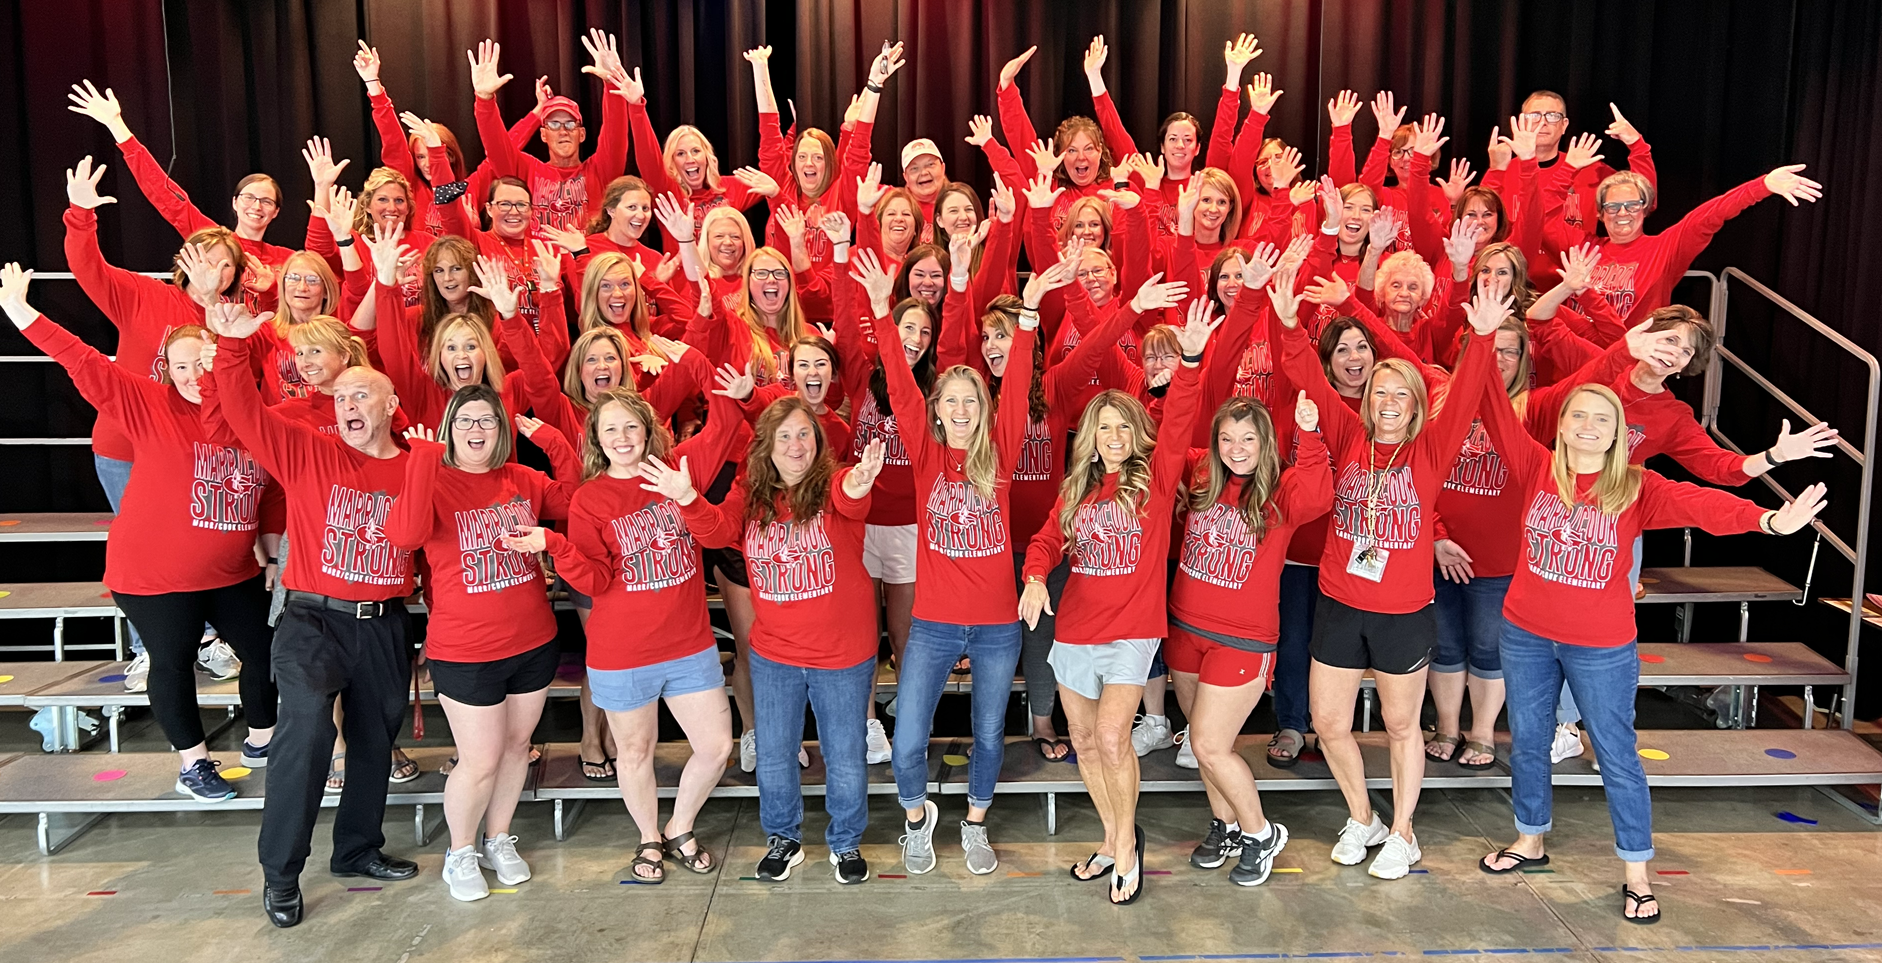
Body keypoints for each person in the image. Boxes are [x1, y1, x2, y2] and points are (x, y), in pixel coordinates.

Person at [1468, 338, 1829, 923]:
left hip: (1602, 646)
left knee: (1616, 752)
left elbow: (1703, 504)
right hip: (1525, 633)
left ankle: (1636, 870)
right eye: (1578, 415)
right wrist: (1484, 338)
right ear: (1561, 426)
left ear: (1617, 434)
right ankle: (1529, 839)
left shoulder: (1636, 486)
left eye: (1601, 418)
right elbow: (1484, 401)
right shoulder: (1535, 465)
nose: (1588, 425)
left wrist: (1768, 519)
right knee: (1529, 741)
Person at [1, 264, 281, 800]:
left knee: (265, 648)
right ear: (165, 370)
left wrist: (268, 545)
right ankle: (193, 765)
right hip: (155, 574)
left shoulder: (250, 413)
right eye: (178, 365)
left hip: (230, 571)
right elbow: (83, 360)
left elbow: (269, 484)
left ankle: (263, 740)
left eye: (200, 361)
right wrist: (24, 314)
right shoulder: (150, 405)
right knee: (173, 661)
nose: (190, 374)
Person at [1271, 266, 1498, 881]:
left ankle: (1402, 832)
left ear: (1417, 405)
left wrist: (1479, 339)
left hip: (1403, 611)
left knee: (1401, 725)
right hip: (1340, 602)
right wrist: (1290, 324)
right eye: (1379, 393)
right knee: (1328, 722)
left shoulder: (1429, 449)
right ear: (1365, 401)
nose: (1388, 402)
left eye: (1400, 393)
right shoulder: (1348, 437)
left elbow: (1471, 393)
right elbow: (1310, 380)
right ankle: (1362, 816)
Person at [202, 303, 421, 929]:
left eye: (360, 395)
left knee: (376, 740)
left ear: (389, 405)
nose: (346, 405)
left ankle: (357, 850)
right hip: (310, 620)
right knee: (307, 736)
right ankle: (281, 874)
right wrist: (231, 348)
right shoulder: (306, 451)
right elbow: (243, 413)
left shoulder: (412, 466)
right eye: (340, 397)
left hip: (382, 620)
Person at [1019, 298, 1216, 906]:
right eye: (1102, 428)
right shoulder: (1078, 485)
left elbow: (1181, 416)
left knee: (1111, 737)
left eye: (1121, 427)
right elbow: (1048, 538)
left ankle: (1126, 845)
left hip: (1131, 629)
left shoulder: (1155, 478)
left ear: (1136, 433)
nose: (1111, 437)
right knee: (1081, 740)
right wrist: (1032, 576)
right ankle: (1110, 837)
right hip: (1074, 626)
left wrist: (1188, 359)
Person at [876, 252, 1068, 877]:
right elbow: (900, 385)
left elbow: (1014, 381)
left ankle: (975, 822)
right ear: (935, 411)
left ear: (984, 411)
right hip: (931, 626)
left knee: (990, 735)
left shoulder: (1001, 453)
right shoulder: (927, 454)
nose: (961, 409)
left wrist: (1032, 312)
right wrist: (883, 311)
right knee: (908, 738)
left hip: (995, 628)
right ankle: (915, 817)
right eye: (951, 401)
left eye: (971, 401)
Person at [530, 377, 745, 882]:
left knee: (715, 746)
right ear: (596, 439)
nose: (622, 437)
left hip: (689, 645)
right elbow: (597, 578)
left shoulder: (678, 473)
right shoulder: (589, 499)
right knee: (634, 751)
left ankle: (680, 825)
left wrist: (713, 375)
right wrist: (556, 548)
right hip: (623, 651)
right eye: (611, 430)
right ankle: (649, 836)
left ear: (649, 432)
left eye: (632, 426)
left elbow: (727, 424)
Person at [677, 403, 889, 884]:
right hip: (776, 654)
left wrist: (863, 479)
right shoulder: (749, 495)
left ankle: (846, 842)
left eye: (805, 435)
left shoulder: (833, 485)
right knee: (774, 754)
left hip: (842, 654)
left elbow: (852, 495)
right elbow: (714, 529)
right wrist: (687, 496)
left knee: (845, 754)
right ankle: (784, 839)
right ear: (767, 446)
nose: (797, 446)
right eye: (785, 437)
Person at [63, 155, 253, 690]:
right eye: (204, 255)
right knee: (145, 551)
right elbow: (87, 268)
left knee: (200, 544)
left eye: (225, 263)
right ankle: (151, 645)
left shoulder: (232, 324)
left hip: (200, 457)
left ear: (236, 275)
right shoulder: (146, 296)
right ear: (184, 258)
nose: (214, 268)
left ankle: (207, 641)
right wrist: (81, 213)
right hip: (126, 448)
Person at [383, 386, 578, 901]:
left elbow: (580, 499)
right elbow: (403, 537)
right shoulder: (434, 478)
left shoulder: (522, 480)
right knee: (480, 759)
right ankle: (460, 851)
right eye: (466, 421)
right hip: (466, 649)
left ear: (502, 430)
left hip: (533, 641)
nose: (477, 430)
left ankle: (497, 838)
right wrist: (423, 461)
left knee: (517, 749)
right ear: (450, 428)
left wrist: (557, 443)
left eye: (488, 421)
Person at [1170, 392, 1331, 884]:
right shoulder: (1200, 472)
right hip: (1185, 629)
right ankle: (1225, 825)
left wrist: (1309, 433)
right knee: (1203, 748)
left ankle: (1261, 833)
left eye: (1248, 439)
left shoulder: (1282, 492)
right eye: (1227, 438)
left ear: (1266, 444)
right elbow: (1170, 433)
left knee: (1210, 743)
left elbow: (1321, 492)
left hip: (1242, 641)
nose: (1236, 448)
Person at [66, 81, 291, 309]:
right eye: (249, 197)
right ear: (235, 202)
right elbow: (166, 196)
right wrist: (117, 125)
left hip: (265, 342)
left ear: (276, 211)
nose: (256, 206)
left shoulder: (288, 260)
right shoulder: (210, 237)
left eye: (266, 201)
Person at [468, 34, 631, 232]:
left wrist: (612, 83)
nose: (563, 131)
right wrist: (485, 99)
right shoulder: (526, 170)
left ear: (582, 134)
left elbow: (615, 136)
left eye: (570, 124)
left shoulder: (599, 171)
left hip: (587, 261)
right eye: (554, 124)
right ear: (543, 135)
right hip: (538, 261)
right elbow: (496, 147)